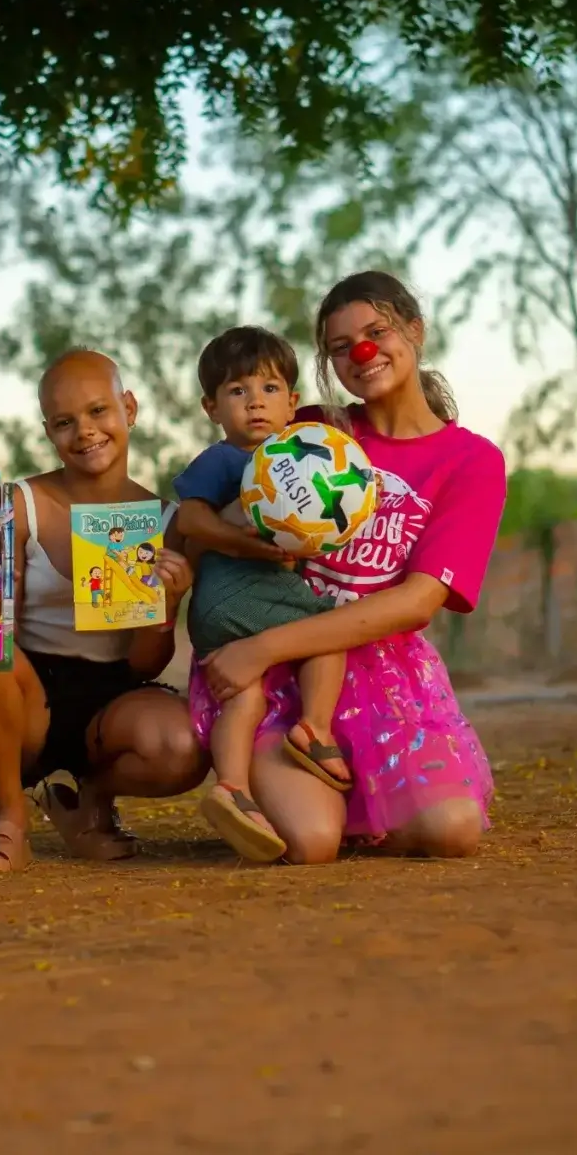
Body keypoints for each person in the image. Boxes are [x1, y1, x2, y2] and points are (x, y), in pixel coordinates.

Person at [195, 272, 507, 864]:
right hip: (283, 675)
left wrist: (260, 647)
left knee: (452, 830)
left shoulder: (471, 461)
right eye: (340, 347)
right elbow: (212, 491)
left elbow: (418, 602)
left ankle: (371, 801)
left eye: (377, 331)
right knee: (310, 843)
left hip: (381, 674)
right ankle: (295, 796)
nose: (361, 352)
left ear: (415, 330)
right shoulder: (308, 427)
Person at [0, 348, 206, 873]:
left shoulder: (167, 521)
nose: (85, 432)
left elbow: (142, 667)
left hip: (114, 699)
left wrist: (166, 606)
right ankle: (8, 819)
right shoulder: (12, 505)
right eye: (65, 422)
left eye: (98, 412)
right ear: (48, 430)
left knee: (182, 748)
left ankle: (89, 801)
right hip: (26, 697)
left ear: (129, 409)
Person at [175, 326, 350, 864]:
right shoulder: (225, 460)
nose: (255, 402)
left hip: (226, 606)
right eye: (237, 391)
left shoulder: (294, 456)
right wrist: (245, 545)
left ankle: (232, 790)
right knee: (328, 631)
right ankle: (315, 731)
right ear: (212, 407)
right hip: (235, 587)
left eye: (270, 389)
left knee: (244, 695)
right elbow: (190, 518)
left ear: (293, 403)